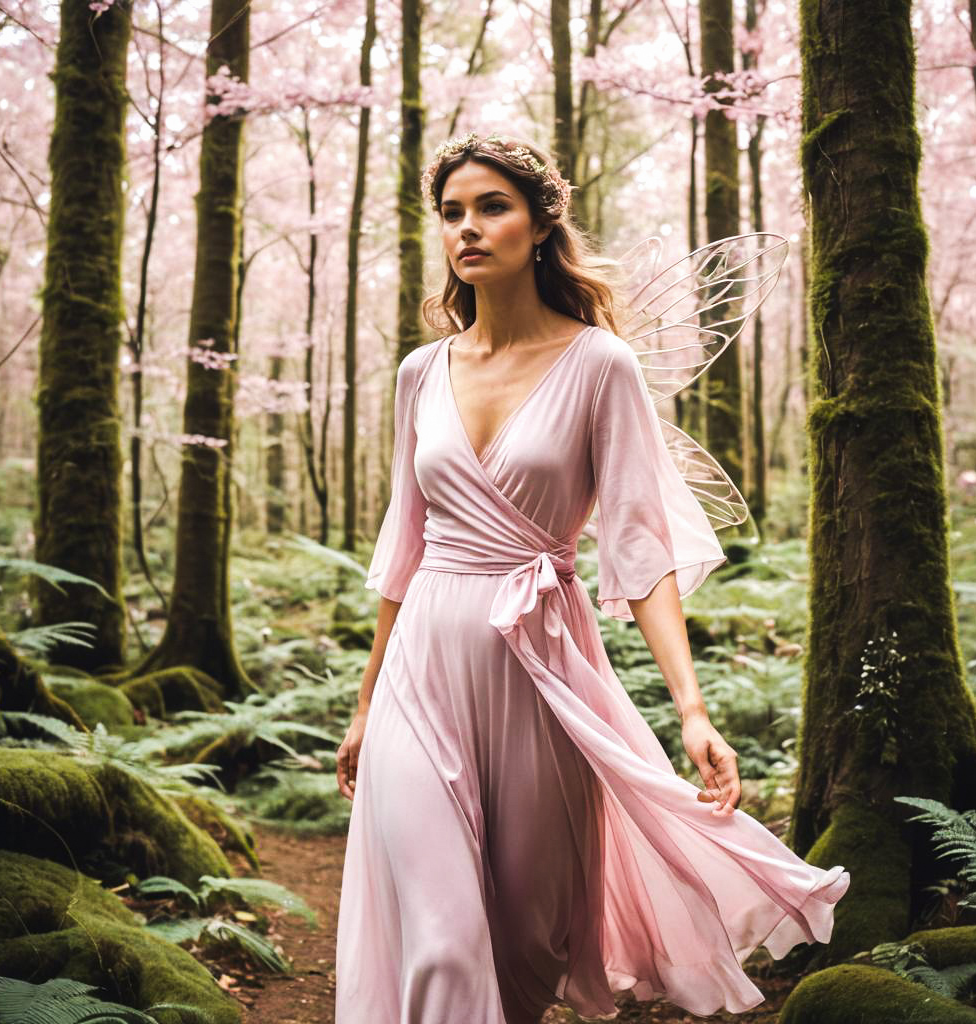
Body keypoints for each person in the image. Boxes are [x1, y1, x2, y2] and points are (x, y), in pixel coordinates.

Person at [334, 131, 849, 1024]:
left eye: (491, 207)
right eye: (452, 212)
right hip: (424, 663)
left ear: (539, 225)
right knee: (442, 936)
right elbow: (402, 543)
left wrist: (691, 709)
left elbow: (641, 552)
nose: (468, 228)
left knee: (527, 946)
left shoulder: (600, 363)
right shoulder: (421, 373)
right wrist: (366, 698)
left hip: (542, 667)